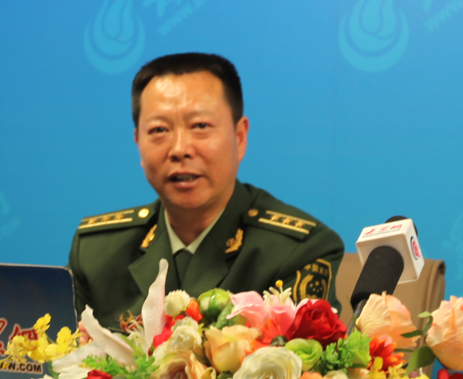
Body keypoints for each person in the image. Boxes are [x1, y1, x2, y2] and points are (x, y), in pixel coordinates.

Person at [68, 52, 344, 330]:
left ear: (240, 137)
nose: (179, 149)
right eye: (159, 129)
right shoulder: (96, 253)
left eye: (200, 126)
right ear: (138, 142)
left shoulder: (297, 251)